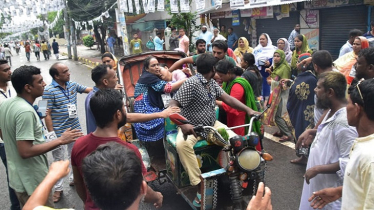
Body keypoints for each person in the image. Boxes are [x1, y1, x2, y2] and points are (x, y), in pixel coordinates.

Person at [169, 53, 259, 207]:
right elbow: (172, 105)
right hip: (193, 128)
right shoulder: (191, 84)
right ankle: (199, 184)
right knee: (181, 146)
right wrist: (183, 125)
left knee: (237, 141)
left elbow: (228, 99)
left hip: (213, 124)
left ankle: (239, 176)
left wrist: (249, 110)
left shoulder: (211, 83)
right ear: (212, 69)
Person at [0, 65, 82, 208]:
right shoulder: (38, 99)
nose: (44, 84)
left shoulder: (8, 103)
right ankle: (58, 189)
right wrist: (59, 139)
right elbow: (25, 151)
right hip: (33, 180)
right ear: (28, 87)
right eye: (40, 82)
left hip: (18, 177)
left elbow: (42, 111)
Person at [72, 89, 163, 210]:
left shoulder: (79, 145)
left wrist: (88, 203)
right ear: (118, 114)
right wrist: (157, 196)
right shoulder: (130, 150)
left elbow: (78, 182)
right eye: (124, 108)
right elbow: (140, 187)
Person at [308, 78, 374, 210]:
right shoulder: (364, 143)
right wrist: (340, 191)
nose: (345, 109)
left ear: (356, 109)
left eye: (348, 103)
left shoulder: (369, 157)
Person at [298, 71, 357, 210]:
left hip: (329, 197)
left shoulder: (344, 123)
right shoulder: (331, 111)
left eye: (318, 87)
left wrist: (318, 169)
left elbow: (349, 162)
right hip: (317, 189)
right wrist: (311, 131)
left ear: (330, 92)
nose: (315, 90)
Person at [43, 63, 93, 202]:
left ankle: (73, 178)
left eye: (68, 70)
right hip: (58, 133)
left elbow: (89, 89)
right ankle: (58, 189)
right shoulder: (48, 90)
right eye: (64, 72)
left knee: (75, 156)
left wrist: (106, 88)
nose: (68, 73)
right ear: (56, 76)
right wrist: (51, 134)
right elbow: (43, 112)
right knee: (59, 161)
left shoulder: (71, 85)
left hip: (75, 128)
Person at [85, 64, 179, 134]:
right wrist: (161, 114)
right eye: (114, 77)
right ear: (105, 81)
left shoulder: (91, 95)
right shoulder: (103, 99)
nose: (117, 79)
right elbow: (127, 117)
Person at [133, 57, 186, 156]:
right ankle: (169, 152)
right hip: (144, 110)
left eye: (158, 64)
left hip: (150, 107)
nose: (157, 67)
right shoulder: (148, 77)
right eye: (153, 65)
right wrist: (185, 80)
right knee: (168, 120)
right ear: (147, 68)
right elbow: (167, 88)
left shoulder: (152, 77)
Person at [290, 50, 335, 165]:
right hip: (322, 122)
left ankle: (316, 169)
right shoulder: (335, 74)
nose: (315, 89)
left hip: (325, 124)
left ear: (315, 66)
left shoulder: (327, 81)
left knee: (321, 154)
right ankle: (307, 160)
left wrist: (315, 129)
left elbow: (329, 109)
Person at [215, 60, 262, 150]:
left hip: (240, 119)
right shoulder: (227, 82)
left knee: (240, 142)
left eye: (221, 76)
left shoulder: (237, 85)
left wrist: (214, 101)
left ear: (228, 73)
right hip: (233, 117)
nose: (220, 78)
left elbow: (230, 104)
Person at [0, 60, 21, 210]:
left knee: (23, 172)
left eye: (9, 68)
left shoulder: (13, 88)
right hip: (5, 142)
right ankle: (16, 206)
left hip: (19, 137)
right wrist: (6, 138)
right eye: (5, 70)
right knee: (12, 174)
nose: (9, 72)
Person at [286, 53, 317, 141]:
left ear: (305, 64)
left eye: (298, 62)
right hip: (304, 112)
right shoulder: (308, 77)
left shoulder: (309, 79)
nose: (297, 64)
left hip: (303, 113)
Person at [264, 50, 292, 142]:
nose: (275, 58)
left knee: (278, 115)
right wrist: (270, 73)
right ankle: (281, 131)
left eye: (278, 56)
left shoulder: (285, 68)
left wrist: (272, 82)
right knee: (276, 113)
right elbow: (277, 78)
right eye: (274, 56)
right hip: (276, 93)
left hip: (282, 95)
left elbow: (285, 84)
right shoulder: (277, 66)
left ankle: (287, 134)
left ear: (282, 57)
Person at [169, 40, 237, 71]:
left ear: (225, 52)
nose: (215, 55)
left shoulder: (230, 61)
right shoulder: (206, 57)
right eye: (214, 52)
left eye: (219, 53)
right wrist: (169, 72)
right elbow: (183, 60)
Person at [253, 33, 276, 100]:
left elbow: (275, 58)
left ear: (267, 40)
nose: (261, 40)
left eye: (263, 39)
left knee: (267, 85)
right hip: (258, 70)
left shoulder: (273, 49)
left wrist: (270, 62)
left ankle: (268, 100)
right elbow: (253, 58)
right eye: (260, 39)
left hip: (268, 71)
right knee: (260, 85)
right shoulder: (256, 49)